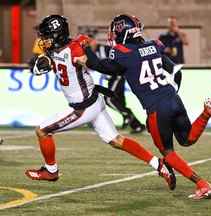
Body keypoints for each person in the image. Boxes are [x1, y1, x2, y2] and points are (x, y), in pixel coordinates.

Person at [77, 14, 211, 200]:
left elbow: (99, 65)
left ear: (123, 32)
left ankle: (202, 184)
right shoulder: (152, 46)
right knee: (187, 139)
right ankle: (206, 112)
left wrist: (84, 47)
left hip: (156, 108)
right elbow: (175, 71)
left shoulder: (123, 54)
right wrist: (171, 93)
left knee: (167, 154)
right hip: (173, 98)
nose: (113, 35)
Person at [25, 15, 175, 190]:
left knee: (42, 131)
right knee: (116, 140)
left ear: (57, 35)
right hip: (95, 101)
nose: (43, 40)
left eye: (47, 35)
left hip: (84, 107)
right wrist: (43, 64)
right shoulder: (57, 49)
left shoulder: (75, 48)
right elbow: (49, 61)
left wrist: (84, 46)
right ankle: (159, 165)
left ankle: (51, 171)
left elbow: (87, 48)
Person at [92, 38, 145, 133]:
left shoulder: (105, 49)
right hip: (112, 77)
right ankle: (137, 126)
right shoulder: (93, 53)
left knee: (109, 99)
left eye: (90, 42)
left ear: (95, 41)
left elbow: (116, 58)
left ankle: (127, 115)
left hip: (117, 75)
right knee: (120, 102)